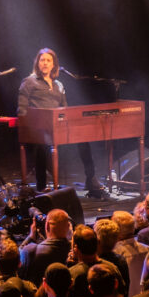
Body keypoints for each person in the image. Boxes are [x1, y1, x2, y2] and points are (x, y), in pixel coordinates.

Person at [17, 48, 104, 199]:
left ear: (54, 65)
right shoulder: (29, 82)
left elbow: (64, 109)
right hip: (39, 128)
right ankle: (41, 186)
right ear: (37, 63)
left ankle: (91, 178)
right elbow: (22, 109)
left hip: (58, 127)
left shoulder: (59, 84)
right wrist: (31, 125)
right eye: (42, 60)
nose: (45, 63)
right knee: (42, 143)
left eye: (48, 60)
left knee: (83, 137)